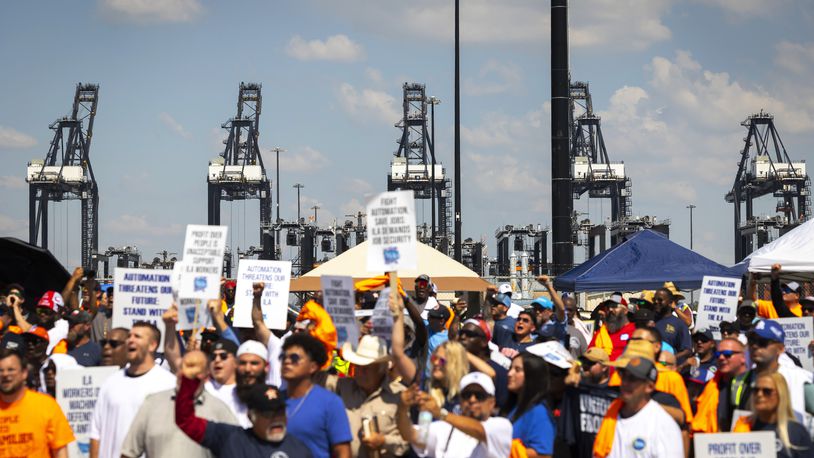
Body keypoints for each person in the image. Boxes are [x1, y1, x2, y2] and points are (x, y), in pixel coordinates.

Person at [174, 350, 313, 457]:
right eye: (268, 414)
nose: (276, 419)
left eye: (280, 412)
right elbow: (185, 420)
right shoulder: (229, 438)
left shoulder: (300, 450)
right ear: (251, 416)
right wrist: (189, 381)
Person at [122, 350, 239, 458]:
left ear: (205, 375)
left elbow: (238, 451)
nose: (186, 373)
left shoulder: (220, 410)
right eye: (182, 367)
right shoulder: (152, 403)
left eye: (193, 368)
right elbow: (129, 452)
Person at [89, 322, 176, 458]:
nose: (131, 340)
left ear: (152, 345)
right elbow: (96, 432)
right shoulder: (110, 382)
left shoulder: (168, 384)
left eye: (137, 336)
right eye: (129, 336)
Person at [317, 335, 409, 457]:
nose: (359, 371)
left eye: (366, 368)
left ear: (381, 369)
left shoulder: (399, 395)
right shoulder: (342, 386)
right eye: (357, 366)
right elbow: (315, 377)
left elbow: (409, 441)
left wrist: (384, 441)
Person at [397, 372, 512, 457]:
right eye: (467, 395)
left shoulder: (501, 426)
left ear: (492, 402)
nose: (472, 400)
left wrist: (440, 413)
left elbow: (480, 431)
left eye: (479, 395)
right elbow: (411, 435)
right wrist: (402, 408)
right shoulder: (445, 426)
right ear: (460, 401)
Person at [593, 356, 683, 458]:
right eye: (623, 376)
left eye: (632, 379)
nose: (625, 382)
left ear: (649, 387)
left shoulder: (663, 425)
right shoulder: (609, 415)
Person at [280, 332, 352, 458]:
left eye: (295, 358)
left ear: (312, 367)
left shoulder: (330, 403)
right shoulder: (273, 399)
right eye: (283, 357)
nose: (286, 361)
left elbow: (343, 452)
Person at [0, 349, 74, 457]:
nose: (5, 374)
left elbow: (61, 452)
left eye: (11, 370)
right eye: (1, 370)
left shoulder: (46, 405)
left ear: (24, 373)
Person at [733, 372, 814, 458]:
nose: (759, 395)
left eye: (767, 391)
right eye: (756, 390)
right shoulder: (742, 424)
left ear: (780, 394)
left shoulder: (797, 432)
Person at [748, 319, 813, 424]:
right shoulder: (741, 380)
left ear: (781, 349)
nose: (755, 346)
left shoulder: (800, 379)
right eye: (751, 340)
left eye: (762, 342)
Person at [692, 337, 754, 433]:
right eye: (718, 354)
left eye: (727, 354)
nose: (721, 358)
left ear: (743, 357)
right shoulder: (710, 385)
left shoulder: (755, 383)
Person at [505, 352, 555, 457]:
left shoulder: (539, 412)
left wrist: (507, 449)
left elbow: (543, 455)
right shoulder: (513, 406)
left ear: (532, 376)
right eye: (510, 368)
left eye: (517, 370)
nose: (509, 373)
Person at [457, 318, 510, 407]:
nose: (463, 337)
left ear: (484, 342)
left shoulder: (499, 371)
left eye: (470, 334)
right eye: (461, 333)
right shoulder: (455, 366)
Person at [588, 293, 635, 361]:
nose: (610, 309)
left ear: (625, 310)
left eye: (614, 306)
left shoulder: (635, 331)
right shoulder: (601, 333)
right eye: (607, 307)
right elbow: (589, 354)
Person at [652, 288, 691, 363]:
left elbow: (687, 351)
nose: (656, 302)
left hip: (669, 370)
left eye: (660, 300)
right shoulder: (649, 321)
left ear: (670, 302)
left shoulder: (679, 324)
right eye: (654, 299)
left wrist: (669, 358)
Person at [679, 328, 717, 402]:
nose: (699, 342)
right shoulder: (685, 360)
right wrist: (682, 366)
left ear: (712, 344)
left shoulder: (718, 363)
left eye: (703, 339)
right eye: (696, 339)